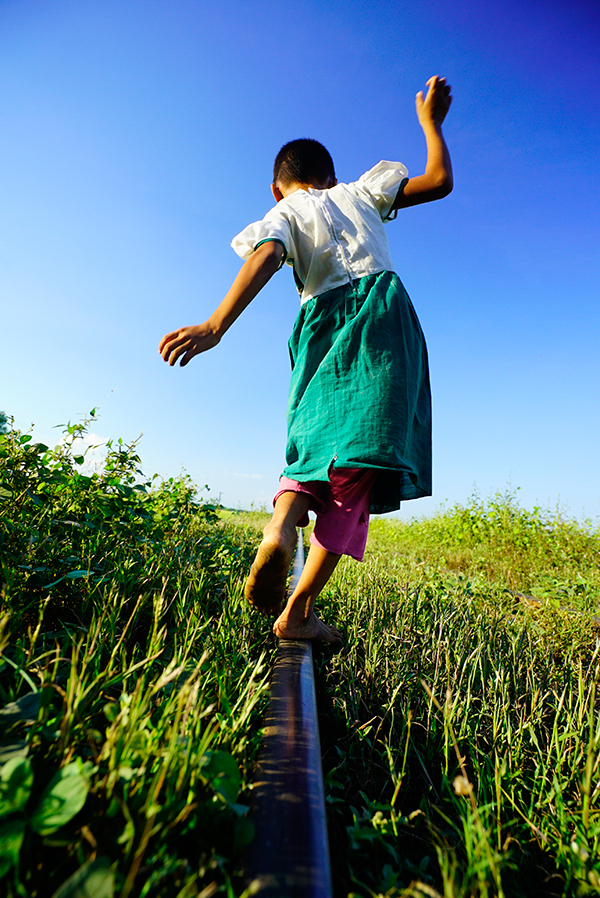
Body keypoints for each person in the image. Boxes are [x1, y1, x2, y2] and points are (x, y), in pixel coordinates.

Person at [160, 75, 453, 646]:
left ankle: (280, 525)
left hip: (317, 323)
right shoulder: (364, 192)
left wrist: (215, 325)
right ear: (331, 178)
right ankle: (297, 614)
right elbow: (439, 182)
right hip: (381, 320)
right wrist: (431, 125)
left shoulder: (285, 215)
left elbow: (268, 256)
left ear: (277, 190)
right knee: (356, 472)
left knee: (312, 451)